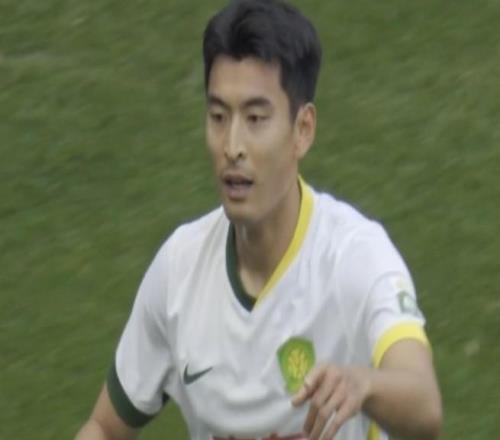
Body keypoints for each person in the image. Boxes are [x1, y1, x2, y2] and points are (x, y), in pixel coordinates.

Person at [75, 0, 442, 439]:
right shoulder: (179, 270)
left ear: (303, 130)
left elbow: (425, 405)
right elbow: (105, 426)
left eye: (255, 119)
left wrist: (364, 384)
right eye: (218, 117)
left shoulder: (355, 257)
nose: (232, 146)